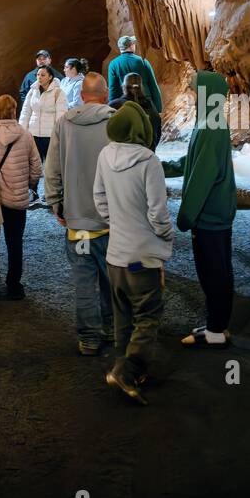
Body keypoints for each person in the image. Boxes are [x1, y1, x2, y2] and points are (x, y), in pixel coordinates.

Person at [94, 100, 173, 405]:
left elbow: (99, 197)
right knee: (148, 316)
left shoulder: (105, 154)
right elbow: (157, 212)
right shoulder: (149, 161)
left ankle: (121, 366)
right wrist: (165, 235)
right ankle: (129, 370)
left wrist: (117, 221)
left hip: (116, 254)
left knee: (123, 317)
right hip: (143, 255)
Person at [45, 72, 114, 355]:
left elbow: (52, 168)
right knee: (112, 279)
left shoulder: (65, 123)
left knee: (84, 282)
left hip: (77, 221)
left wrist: (56, 203)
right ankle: (111, 328)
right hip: (111, 220)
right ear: (106, 94)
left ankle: (88, 338)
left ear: (82, 95)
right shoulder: (116, 122)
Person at [177, 70, 237, 347]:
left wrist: (186, 216)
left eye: (194, 90)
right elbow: (194, 159)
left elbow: (203, 175)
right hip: (216, 213)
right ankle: (217, 325)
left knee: (213, 272)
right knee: (218, 270)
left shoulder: (210, 126)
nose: (191, 95)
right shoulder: (210, 121)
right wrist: (166, 167)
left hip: (209, 215)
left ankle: (215, 332)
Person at [0, 95, 41, 300]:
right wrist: (28, 185)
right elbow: (36, 167)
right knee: (15, 243)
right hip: (16, 198)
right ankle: (14, 286)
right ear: (14, 111)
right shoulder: (25, 134)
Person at [19, 63, 66, 202]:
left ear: (50, 77)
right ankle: (33, 192)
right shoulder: (33, 91)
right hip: (33, 133)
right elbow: (26, 111)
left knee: (50, 166)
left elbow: (61, 115)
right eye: (38, 75)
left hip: (50, 134)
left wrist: (58, 133)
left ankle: (50, 193)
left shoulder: (58, 92)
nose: (39, 77)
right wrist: (23, 131)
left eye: (43, 75)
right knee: (33, 165)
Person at [107, 35, 162, 114]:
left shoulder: (113, 64)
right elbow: (153, 85)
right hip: (146, 104)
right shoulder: (143, 61)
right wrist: (158, 109)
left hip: (126, 106)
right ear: (131, 46)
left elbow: (113, 89)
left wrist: (112, 109)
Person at [111, 72, 162, 149]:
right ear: (141, 87)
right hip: (148, 155)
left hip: (122, 157)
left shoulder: (115, 105)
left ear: (123, 86)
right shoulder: (150, 106)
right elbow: (157, 133)